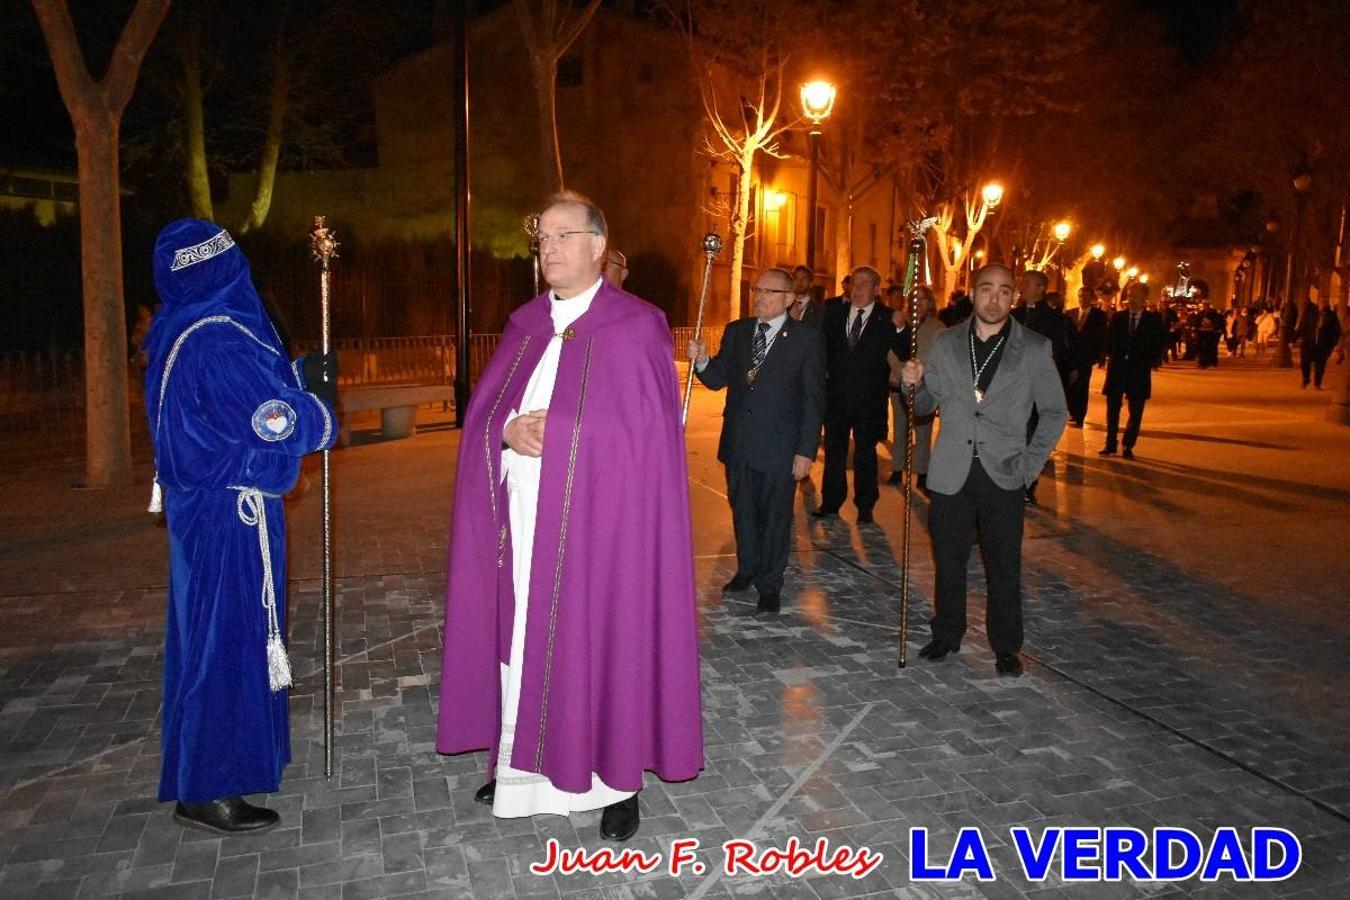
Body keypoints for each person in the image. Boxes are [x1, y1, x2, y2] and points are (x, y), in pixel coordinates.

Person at [436, 192, 703, 843]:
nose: (549, 250)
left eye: (562, 236)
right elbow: (485, 416)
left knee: (607, 638)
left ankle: (618, 785)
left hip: (602, 533)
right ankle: (519, 765)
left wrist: (555, 431)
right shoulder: (525, 324)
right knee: (522, 637)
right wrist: (506, 431)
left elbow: (643, 436)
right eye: (542, 240)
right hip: (521, 524)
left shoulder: (638, 325)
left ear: (596, 248)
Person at [143, 219, 338, 835]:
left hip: (201, 512)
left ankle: (204, 772)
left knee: (205, 635)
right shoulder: (219, 340)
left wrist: (296, 373)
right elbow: (272, 420)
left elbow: (227, 412)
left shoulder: (177, 329)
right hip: (231, 515)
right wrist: (317, 406)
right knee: (224, 642)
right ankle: (211, 787)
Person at [900, 264, 1067, 677]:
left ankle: (1006, 646)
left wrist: (1029, 467)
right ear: (972, 294)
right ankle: (947, 634)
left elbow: (1054, 412)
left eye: (1004, 291)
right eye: (986, 290)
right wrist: (913, 384)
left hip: (1005, 473)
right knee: (950, 561)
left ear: (1014, 298)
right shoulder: (945, 343)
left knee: (1004, 565)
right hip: (951, 471)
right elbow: (922, 408)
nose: (994, 299)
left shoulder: (1033, 348)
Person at [689, 267, 825, 614]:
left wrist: (805, 451)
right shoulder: (738, 332)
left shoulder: (805, 338)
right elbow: (718, 378)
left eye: (769, 292)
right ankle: (746, 569)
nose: (760, 298)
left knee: (776, 518)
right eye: (757, 290)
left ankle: (769, 584)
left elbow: (813, 399)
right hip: (739, 443)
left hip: (781, 448)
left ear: (789, 299)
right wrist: (703, 360)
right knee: (743, 512)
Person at [813, 265, 896, 524]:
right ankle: (831, 501)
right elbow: (820, 348)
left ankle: (865, 504)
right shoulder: (833, 313)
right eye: (854, 284)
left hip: (869, 401)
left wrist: (903, 329)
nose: (857, 289)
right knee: (834, 452)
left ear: (875, 289)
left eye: (863, 284)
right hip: (837, 398)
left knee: (865, 454)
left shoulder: (887, 318)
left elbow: (904, 350)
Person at [1012, 271, 1070, 505]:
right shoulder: (1013, 315)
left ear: (1041, 288)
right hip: (1013, 386)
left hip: (1037, 388)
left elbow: (1059, 353)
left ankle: (1028, 482)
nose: (1022, 286)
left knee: (1031, 433)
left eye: (1027, 283)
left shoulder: (1055, 319)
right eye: (1021, 282)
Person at [1100, 283, 1166, 460]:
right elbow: (1109, 339)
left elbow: (1158, 344)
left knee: (1136, 411)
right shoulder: (1118, 317)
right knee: (1112, 409)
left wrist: (1149, 361)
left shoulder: (1152, 320)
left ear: (1145, 298)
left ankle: (1128, 445)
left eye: (1136, 296)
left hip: (1138, 371)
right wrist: (1109, 355)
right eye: (1130, 295)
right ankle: (1110, 443)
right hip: (1117, 369)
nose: (1132, 299)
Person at [887, 285, 942, 491]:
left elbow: (939, 356)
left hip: (925, 388)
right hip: (899, 384)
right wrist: (903, 374)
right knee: (900, 429)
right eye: (914, 299)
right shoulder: (902, 323)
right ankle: (897, 468)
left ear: (930, 303)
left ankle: (922, 472)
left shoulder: (938, 327)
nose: (919, 303)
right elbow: (891, 352)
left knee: (923, 432)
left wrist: (923, 374)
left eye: (923, 299)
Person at [1066, 286, 1109, 428]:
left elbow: (1101, 338)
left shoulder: (1099, 316)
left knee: (1082, 386)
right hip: (1070, 357)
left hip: (1086, 357)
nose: (1082, 299)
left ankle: (1079, 415)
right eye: (1080, 296)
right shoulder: (1070, 313)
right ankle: (1071, 412)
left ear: (1091, 299)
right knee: (1070, 386)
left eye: (1085, 296)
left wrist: (1096, 356)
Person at [1299, 296, 1342, 389]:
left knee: (1320, 366)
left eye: (1324, 302)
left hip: (1323, 345)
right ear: (1318, 302)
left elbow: (1336, 331)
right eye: (1321, 302)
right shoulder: (1311, 314)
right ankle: (1306, 379)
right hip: (1308, 343)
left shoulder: (1331, 316)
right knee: (1304, 363)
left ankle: (1317, 383)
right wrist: (1296, 338)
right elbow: (1303, 326)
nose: (1322, 304)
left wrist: (1333, 344)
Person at [788, 264, 824, 328]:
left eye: (804, 278)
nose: (800, 281)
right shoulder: (784, 307)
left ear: (811, 283)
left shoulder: (820, 310)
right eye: (796, 278)